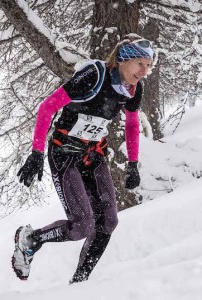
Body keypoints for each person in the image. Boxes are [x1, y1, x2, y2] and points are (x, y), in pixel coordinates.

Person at [12, 34, 155, 284]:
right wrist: (36, 153)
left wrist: (133, 163)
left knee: (109, 221)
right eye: (140, 63)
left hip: (94, 155)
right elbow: (48, 107)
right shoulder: (94, 75)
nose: (144, 71)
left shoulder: (134, 88)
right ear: (123, 59)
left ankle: (79, 285)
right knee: (82, 226)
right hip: (64, 153)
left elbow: (132, 122)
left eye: (149, 65)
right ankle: (30, 240)